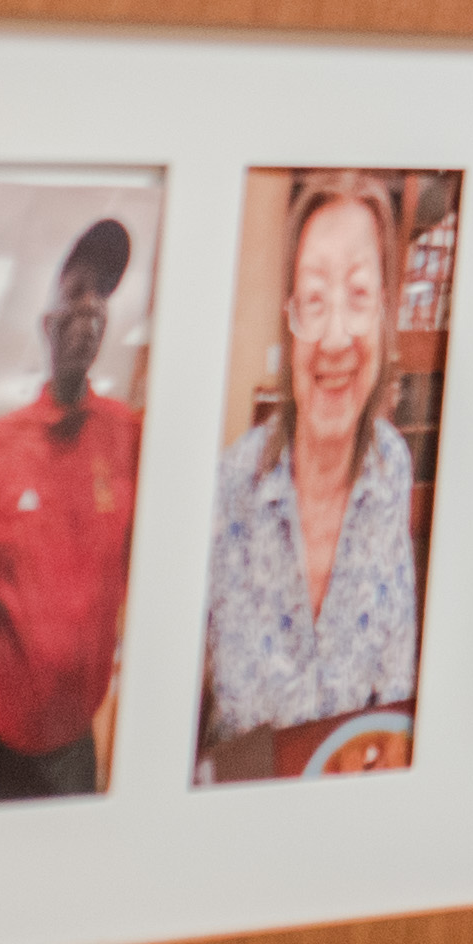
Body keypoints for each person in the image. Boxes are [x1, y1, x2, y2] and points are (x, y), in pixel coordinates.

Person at [198, 175, 421, 771]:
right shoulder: (229, 489)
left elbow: (395, 687)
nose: (336, 336)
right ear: (288, 319)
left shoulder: (391, 468)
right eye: (314, 299)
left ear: (385, 318)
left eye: (358, 295)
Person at [0, 216, 142, 801]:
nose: (90, 309)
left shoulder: (126, 439)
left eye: (101, 296)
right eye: (75, 292)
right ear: (46, 321)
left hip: (73, 754)